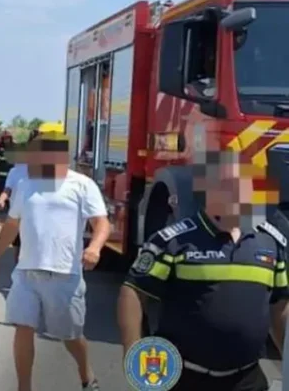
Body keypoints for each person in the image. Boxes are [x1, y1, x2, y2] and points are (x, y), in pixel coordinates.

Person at [117, 147, 289, 391]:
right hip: (184, 377)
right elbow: (134, 291)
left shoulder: (270, 243)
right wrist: (133, 351)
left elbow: (280, 307)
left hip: (247, 379)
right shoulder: (172, 241)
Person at [0, 122, 109, 391]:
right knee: (23, 328)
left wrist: (95, 247)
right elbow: (12, 224)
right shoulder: (26, 184)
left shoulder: (82, 185)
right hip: (26, 273)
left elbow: (101, 223)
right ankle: (24, 388)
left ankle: (86, 374)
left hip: (65, 275)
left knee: (71, 336)